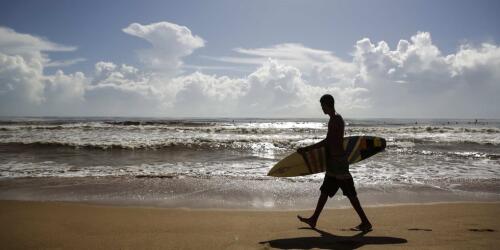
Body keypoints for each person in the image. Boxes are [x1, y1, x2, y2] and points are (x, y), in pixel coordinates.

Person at [296, 94, 372, 231]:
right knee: (325, 191)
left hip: (339, 164)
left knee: (350, 194)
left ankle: (365, 222)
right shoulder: (335, 119)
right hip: (334, 163)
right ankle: (313, 219)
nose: (322, 109)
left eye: (322, 106)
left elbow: (328, 142)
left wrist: (307, 149)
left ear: (327, 104)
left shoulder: (335, 120)